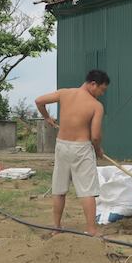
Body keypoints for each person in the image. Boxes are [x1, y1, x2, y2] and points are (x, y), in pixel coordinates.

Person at [35, 70, 110, 237]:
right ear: (93, 84)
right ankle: (91, 230)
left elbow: (39, 101)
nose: (102, 93)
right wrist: (98, 150)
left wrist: (47, 117)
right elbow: (95, 136)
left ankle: (56, 226)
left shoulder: (64, 93)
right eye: (102, 90)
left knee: (59, 189)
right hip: (81, 148)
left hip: (62, 146)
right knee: (88, 191)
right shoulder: (96, 106)